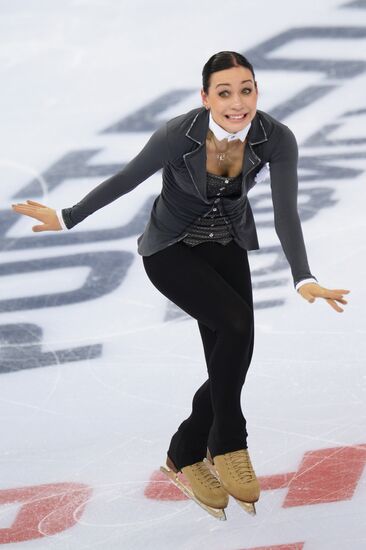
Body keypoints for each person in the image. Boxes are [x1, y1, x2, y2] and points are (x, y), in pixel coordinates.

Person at [11, 51, 350, 519]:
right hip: (171, 248)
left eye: (246, 89)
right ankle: (229, 442)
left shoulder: (275, 137)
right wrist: (67, 217)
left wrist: (303, 276)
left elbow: (286, 211)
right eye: (225, 92)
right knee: (234, 326)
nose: (237, 102)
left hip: (227, 242)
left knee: (236, 351)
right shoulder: (179, 134)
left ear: (257, 91)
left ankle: (185, 451)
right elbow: (128, 179)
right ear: (205, 96)